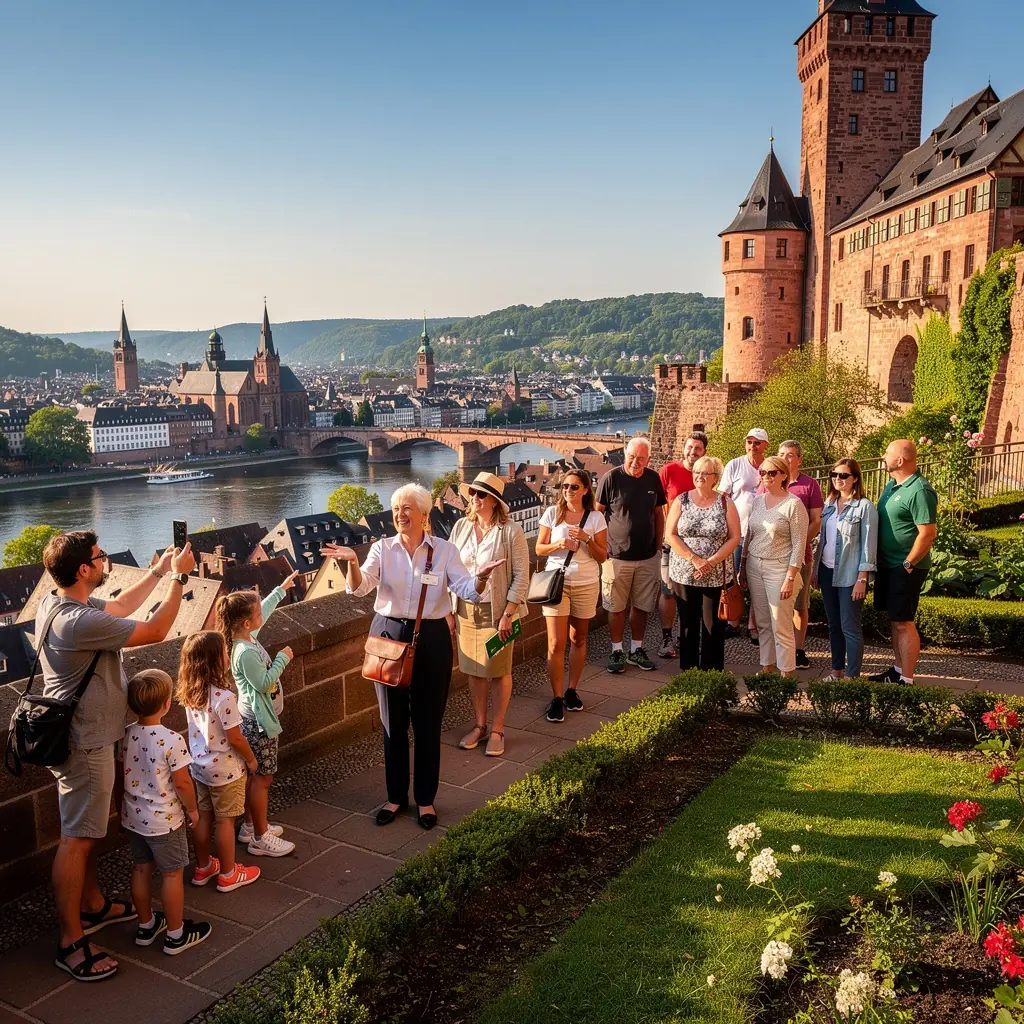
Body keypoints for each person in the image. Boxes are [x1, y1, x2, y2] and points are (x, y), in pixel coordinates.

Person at [39, 530, 195, 982]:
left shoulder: (61, 603)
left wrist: (160, 570)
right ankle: (71, 941)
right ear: (85, 570)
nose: (105, 560)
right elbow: (157, 629)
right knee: (77, 839)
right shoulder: (78, 621)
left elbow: (124, 605)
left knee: (84, 832)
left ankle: (91, 906)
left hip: (90, 737)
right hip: (86, 743)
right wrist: (180, 582)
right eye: (99, 556)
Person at [323, 483, 499, 830]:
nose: (400, 514)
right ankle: (395, 796)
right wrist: (351, 565)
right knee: (393, 725)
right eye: (395, 509)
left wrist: (480, 580)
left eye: (406, 508)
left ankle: (426, 800)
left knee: (428, 724)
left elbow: (466, 590)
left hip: (432, 639)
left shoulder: (445, 551)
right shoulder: (382, 549)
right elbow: (360, 588)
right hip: (389, 636)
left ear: (423, 513)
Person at [122, 669, 212, 954]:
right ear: (166, 704)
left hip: (134, 818)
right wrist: (194, 810)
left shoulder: (124, 736)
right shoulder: (171, 739)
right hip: (165, 821)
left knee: (140, 868)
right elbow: (183, 783)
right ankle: (176, 934)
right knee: (172, 875)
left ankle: (146, 925)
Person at [218, 575, 299, 858]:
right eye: (256, 614)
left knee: (260, 776)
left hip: (258, 719)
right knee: (263, 778)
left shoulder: (246, 637)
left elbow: (261, 610)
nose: (260, 615)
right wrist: (282, 658)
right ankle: (260, 838)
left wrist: (280, 591)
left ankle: (251, 827)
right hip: (258, 723)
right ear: (246, 623)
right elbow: (264, 683)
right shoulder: (244, 653)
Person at [450, 472, 530, 757]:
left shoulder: (510, 532)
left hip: (498, 613)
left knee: (498, 671)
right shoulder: (460, 527)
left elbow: (522, 576)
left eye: (481, 495)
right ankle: (480, 725)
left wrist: (508, 613)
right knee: (474, 671)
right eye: (472, 493)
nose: (474, 498)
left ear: (495, 501)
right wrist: (449, 610)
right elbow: (450, 570)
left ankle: (497, 728)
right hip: (465, 611)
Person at [178, 631, 262, 892]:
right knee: (225, 821)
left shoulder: (191, 692)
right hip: (226, 770)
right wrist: (251, 759)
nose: (228, 655)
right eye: (225, 653)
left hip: (200, 768)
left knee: (203, 818)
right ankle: (228, 873)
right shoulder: (224, 698)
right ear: (215, 661)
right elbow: (235, 738)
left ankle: (204, 868)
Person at [535, 468, 608, 722]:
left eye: (574, 487)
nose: (568, 491)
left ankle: (572, 690)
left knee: (579, 638)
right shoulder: (552, 514)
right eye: (564, 487)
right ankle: (555, 697)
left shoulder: (596, 518)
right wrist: (560, 544)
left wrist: (587, 540)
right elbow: (539, 548)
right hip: (557, 583)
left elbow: (602, 556)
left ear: (586, 490)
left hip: (586, 583)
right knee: (556, 643)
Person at [870, 440, 938, 686]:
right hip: (888, 565)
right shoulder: (892, 485)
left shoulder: (920, 490)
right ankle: (897, 670)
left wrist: (908, 564)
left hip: (905, 567)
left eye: (887, 453)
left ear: (899, 461)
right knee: (894, 619)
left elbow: (928, 533)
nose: (883, 457)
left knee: (904, 621)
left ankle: (906, 679)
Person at [596, 436, 667, 673]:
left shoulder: (653, 478)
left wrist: (658, 548)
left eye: (641, 458)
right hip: (616, 556)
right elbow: (597, 515)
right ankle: (617, 650)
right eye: (632, 456)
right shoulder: (611, 478)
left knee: (642, 606)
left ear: (648, 459)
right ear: (625, 455)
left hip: (647, 556)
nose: (635, 462)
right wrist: (602, 548)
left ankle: (637, 649)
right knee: (615, 607)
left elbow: (659, 513)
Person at [665, 455, 741, 670]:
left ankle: (712, 672)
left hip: (716, 574)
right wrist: (695, 559)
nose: (699, 476)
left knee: (713, 625)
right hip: (685, 572)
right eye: (696, 472)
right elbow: (670, 534)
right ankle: (688, 672)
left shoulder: (726, 503)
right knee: (688, 623)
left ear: (714, 477)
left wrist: (711, 561)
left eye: (704, 473)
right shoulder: (682, 500)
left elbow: (735, 537)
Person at [740, 455, 809, 674]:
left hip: (779, 569)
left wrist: (790, 577)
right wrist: (742, 566)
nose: (766, 477)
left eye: (771, 473)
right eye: (762, 473)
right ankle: (766, 667)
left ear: (782, 475)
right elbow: (749, 534)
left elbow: (799, 543)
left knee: (780, 623)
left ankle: (786, 672)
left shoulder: (793, 504)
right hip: (754, 565)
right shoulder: (758, 501)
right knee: (762, 622)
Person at [812, 458, 878, 680]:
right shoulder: (829, 504)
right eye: (834, 475)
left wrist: (863, 578)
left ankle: (852, 676)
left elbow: (869, 544)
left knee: (849, 626)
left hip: (850, 574)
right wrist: (815, 571)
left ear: (855, 479)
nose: (837, 479)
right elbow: (823, 541)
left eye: (843, 476)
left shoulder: (864, 506)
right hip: (827, 570)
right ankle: (836, 671)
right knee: (833, 625)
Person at [657, 431, 707, 658]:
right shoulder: (669, 470)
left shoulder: (708, 473)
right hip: (672, 542)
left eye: (697, 448)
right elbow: (657, 506)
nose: (692, 452)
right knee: (668, 592)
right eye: (689, 447)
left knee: (693, 594)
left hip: (700, 546)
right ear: (683, 448)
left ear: (704, 451)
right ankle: (667, 638)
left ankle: (687, 637)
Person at [775, 441, 824, 669]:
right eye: (782, 454)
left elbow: (816, 521)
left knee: (799, 604)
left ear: (799, 460)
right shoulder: (770, 481)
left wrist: (799, 542)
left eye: (791, 455)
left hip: (800, 554)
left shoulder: (809, 485)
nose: (786, 458)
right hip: (774, 554)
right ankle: (779, 648)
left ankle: (798, 649)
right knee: (775, 602)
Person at [719, 428, 769, 637]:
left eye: (757, 443)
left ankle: (753, 625)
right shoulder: (735, 464)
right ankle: (733, 621)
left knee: (757, 579)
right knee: (735, 578)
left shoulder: (770, 467)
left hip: (762, 533)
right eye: (749, 442)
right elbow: (723, 496)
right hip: (738, 531)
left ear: (765, 445)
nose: (752, 446)